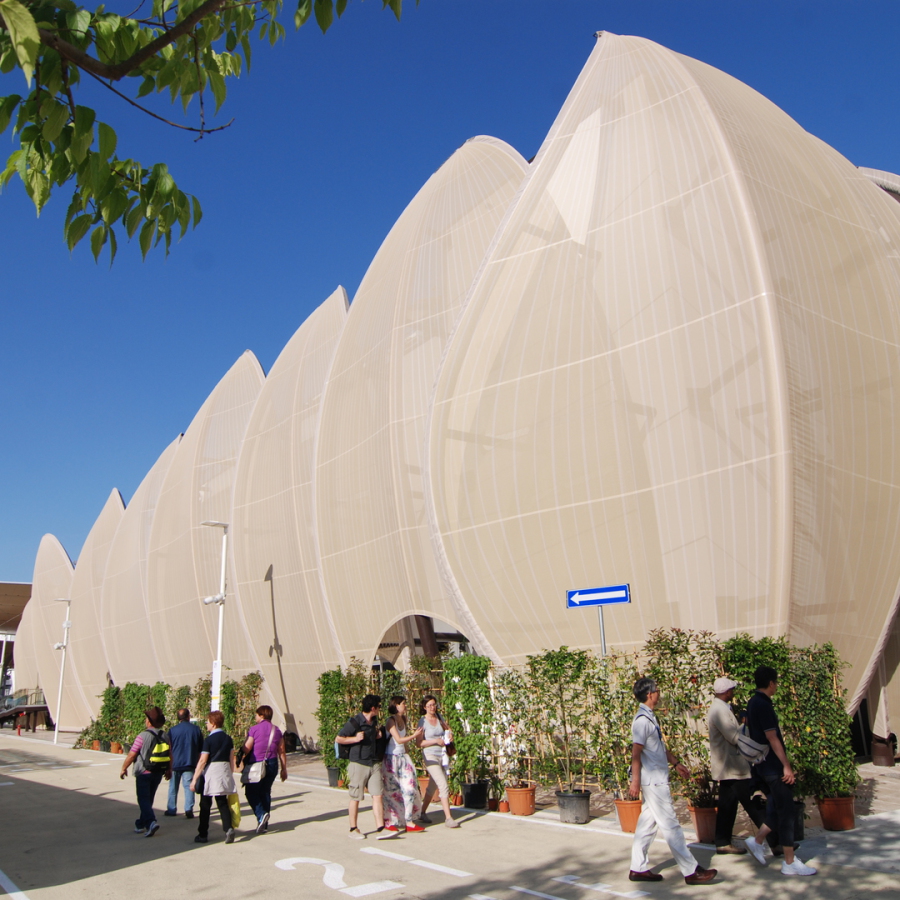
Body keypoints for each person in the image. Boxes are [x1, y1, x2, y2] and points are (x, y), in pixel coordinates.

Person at [628, 677, 717, 885]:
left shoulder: (649, 717)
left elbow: (658, 747)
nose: (659, 694)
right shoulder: (641, 721)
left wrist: (676, 763)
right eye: (657, 690)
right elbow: (636, 753)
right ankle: (691, 871)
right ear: (649, 694)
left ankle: (638, 868)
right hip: (654, 782)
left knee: (647, 826)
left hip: (657, 779)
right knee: (671, 825)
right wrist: (635, 781)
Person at [744, 666, 816, 876]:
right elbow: (772, 737)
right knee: (787, 812)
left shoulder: (752, 702)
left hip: (762, 766)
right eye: (776, 682)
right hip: (773, 767)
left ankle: (758, 840)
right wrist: (786, 765)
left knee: (776, 807)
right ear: (771, 683)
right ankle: (789, 862)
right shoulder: (763, 705)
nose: (777, 686)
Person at [707, 677, 769, 854]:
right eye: (732, 690)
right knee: (751, 801)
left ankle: (722, 842)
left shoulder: (722, 708)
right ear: (727, 692)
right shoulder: (719, 710)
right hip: (732, 765)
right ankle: (775, 840)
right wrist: (749, 734)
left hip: (729, 765)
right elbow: (733, 737)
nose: (733, 692)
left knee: (727, 805)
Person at [336, 694, 387, 839]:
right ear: (373, 708)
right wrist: (355, 738)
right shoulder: (355, 722)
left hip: (373, 762)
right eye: (379, 706)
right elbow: (339, 738)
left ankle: (380, 828)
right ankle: (353, 829)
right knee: (356, 797)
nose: (380, 709)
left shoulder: (374, 721)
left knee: (377, 794)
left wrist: (377, 735)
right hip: (358, 763)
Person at [119, 706, 171, 838]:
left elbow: (132, 754)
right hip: (158, 772)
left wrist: (124, 768)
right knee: (148, 799)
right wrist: (169, 769)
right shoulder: (165, 735)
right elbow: (170, 754)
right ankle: (140, 824)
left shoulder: (142, 736)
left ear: (149, 721)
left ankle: (151, 822)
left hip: (143, 771)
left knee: (143, 799)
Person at [190, 710, 237, 844]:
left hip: (210, 774)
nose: (206, 724)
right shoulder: (228, 739)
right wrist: (230, 774)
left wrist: (194, 779)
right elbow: (231, 759)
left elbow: (203, 760)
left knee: (205, 805)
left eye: (208, 722)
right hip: (223, 772)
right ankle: (228, 828)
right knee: (222, 802)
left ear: (214, 724)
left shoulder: (208, 740)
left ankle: (203, 834)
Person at [381, 695, 425, 835]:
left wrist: (408, 757)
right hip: (391, 759)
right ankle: (390, 820)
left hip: (403, 758)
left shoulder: (403, 719)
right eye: (403, 703)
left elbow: (403, 744)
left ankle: (409, 820)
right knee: (391, 791)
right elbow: (399, 740)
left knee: (410, 788)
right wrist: (414, 735)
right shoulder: (390, 721)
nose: (405, 706)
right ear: (396, 705)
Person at [241, 704, 288, 834]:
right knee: (265, 792)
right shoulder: (277, 730)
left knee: (251, 792)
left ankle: (261, 815)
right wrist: (284, 769)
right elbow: (282, 751)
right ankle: (264, 824)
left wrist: (242, 747)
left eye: (256, 715)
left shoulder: (254, 729)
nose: (255, 717)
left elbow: (247, 748)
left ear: (261, 715)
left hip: (257, 764)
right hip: (272, 763)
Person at [415, 695, 459, 828]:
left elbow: (447, 729)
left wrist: (449, 735)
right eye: (429, 705)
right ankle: (448, 818)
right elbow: (419, 743)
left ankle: (422, 812)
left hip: (442, 755)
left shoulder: (439, 718)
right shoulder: (422, 722)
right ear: (424, 707)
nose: (432, 707)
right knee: (443, 784)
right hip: (430, 756)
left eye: (434, 704)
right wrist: (435, 741)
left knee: (432, 786)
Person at [165, 708, 203, 819]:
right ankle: (188, 809)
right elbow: (201, 748)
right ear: (188, 716)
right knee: (189, 786)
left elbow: (168, 748)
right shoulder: (196, 730)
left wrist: (168, 765)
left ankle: (171, 809)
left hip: (175, 763)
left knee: (173, 787)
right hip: (190, 762)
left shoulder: (172, 731)